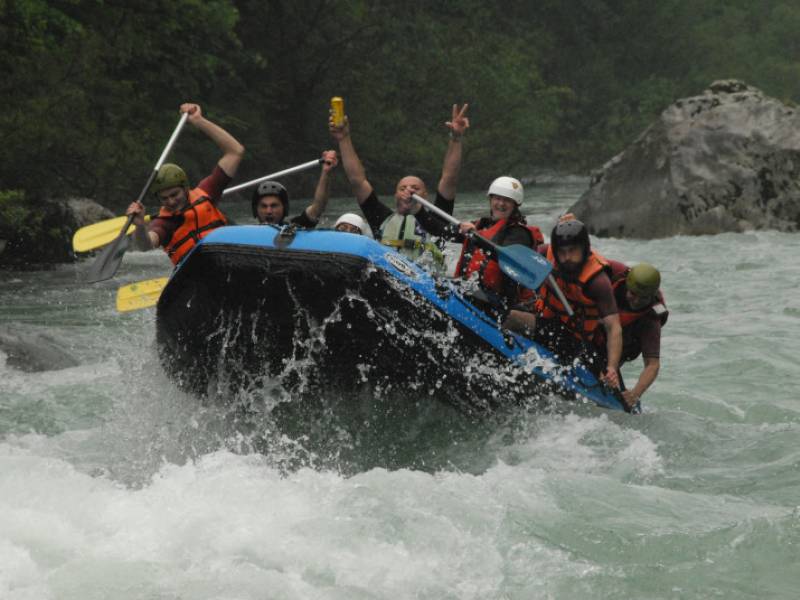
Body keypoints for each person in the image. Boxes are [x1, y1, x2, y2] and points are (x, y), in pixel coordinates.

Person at [329, 103, 470, 267]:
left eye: (415, 188)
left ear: (425, 196)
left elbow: (449, 178)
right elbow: (357, 181)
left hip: (426, 282)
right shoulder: (380, 218)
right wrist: (343, 138)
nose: (409, 190)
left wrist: (456, 138)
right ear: (395, 195)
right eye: (402, 188)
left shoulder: (437, 218)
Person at [506, 219, 622, 390]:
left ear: (585, 249)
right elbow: (521, 261)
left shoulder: (597, 281)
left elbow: (614, 327)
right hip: (544, 317)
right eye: (563, 252)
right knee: (502, 308)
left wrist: (612, 366)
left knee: (510, 318)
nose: (567, 258)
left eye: (573, 251)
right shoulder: (546, 253)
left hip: (572, 338)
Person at [126, 103, 245, 265]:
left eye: (174, 194)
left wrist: (199, 121)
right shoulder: (164, 223)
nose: (171, 202)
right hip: (196, 276)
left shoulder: (207, 192)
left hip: (230, 263)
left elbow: (235, 152)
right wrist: (139, 226)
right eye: (164, 198)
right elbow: (146, 246)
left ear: (185, 188)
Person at [446, 176, 544, 316]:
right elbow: (440, 230)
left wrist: (475, 237)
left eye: (507, 200)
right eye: (497, 198)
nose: (501, 204)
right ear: (490, 200)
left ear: (515, 205)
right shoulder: (481, 225)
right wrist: (418, 211)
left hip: (499, 302)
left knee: (464, 289)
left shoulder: (520, 234)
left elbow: (506, 257)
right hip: (470, 289)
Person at [593, 261, 667, 407]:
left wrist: (635, 394)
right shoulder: (610, 280)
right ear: (627, 285)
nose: (637, 301)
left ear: (651, 296)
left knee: (621, 403)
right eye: (633, 294)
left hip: (611, 357)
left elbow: (652, 364)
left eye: (644, 297)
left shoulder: (651, 319)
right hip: (589, 336)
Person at [252, 150, 339, 226]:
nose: (269, 211)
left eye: (274, 206)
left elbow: (318, 208)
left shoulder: (293, 228)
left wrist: (326, 172)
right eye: (263, 206)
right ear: (256, 210)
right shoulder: (245, 233)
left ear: (284, 208)